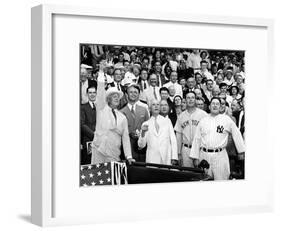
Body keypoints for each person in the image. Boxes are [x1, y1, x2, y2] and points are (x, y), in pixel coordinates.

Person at [190, 97, 245, 180]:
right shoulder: (203, 120)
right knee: (205, 181)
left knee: (221, 180)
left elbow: (236, 134)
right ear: (209, 106)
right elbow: (197, 139)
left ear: (220, 107)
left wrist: (241, 151)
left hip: (220, 155)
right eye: (213, 104)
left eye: (217, 104)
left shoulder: (226, 120)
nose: (215, 106)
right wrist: (195, 157)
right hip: (204, 155)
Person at [91, 73, 135, 164]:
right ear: (108, 99)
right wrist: (101, 73)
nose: (117, 99)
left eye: (118, 97)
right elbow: (100, 93)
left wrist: (129, 156)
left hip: (114, 154)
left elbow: (125, 137)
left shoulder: (122, 117)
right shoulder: (101, 110)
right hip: (99, 152)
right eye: (114, 97)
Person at [138, 99, 178, 165]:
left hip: (166, 158)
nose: (156, 106)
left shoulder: (167, 121)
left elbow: (173, 140)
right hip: (152, 159)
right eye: (153, 105)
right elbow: (141, 145)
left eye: (158, 104)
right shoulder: (146, 124)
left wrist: (174, 157)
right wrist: (143, 133)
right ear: (150, 108)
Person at [174, 92, 208, 167]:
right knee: (187, 174)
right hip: (186, 149)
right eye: (188, 98)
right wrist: (178, 153)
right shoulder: (181, 116)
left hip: (199, 149)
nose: (190, 100)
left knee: (201, 173)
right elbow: (178, 136)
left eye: (192, 97)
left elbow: (207, 134)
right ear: (185, 100)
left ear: (195, 99)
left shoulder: (204, 115)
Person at [120, 84, 150, 162]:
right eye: (131, 92)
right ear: (126, 94)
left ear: (139, 94)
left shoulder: (144, 109)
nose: (133, 94)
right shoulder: (121, 112)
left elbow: (148, 128)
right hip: (128, 146)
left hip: (142, 144)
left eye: (135, 92)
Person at [80, 86, 97, 165]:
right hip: (88, 140)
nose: (92, 94)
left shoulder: (102, 107)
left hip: (102, 142)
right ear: (87, 94)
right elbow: (82, 124)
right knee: (89, 163)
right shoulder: (82, 107)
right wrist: (94, 135)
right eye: (90, 93)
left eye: (94, 92)